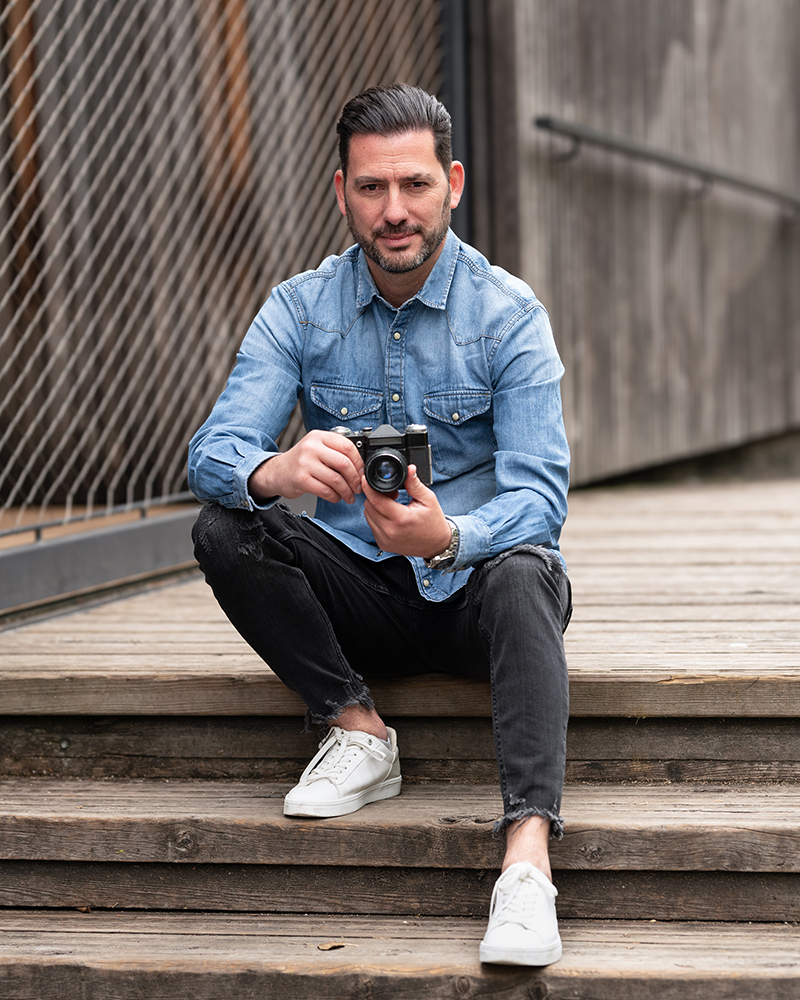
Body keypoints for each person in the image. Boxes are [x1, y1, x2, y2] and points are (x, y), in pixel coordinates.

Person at [188, 83, 572, 967]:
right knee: (226, 523)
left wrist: (447, 538)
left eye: (414, 185)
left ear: (453, 183)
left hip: (479, 600)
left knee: (526, 568)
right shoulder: (300, 307)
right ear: (340, 192)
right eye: (371, 189)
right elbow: (215, 447)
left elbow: (542, 499)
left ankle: (525, 865)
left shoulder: (509, 315)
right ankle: (356, 728)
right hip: (357, 602)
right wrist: (272, 469)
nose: (394, 212)